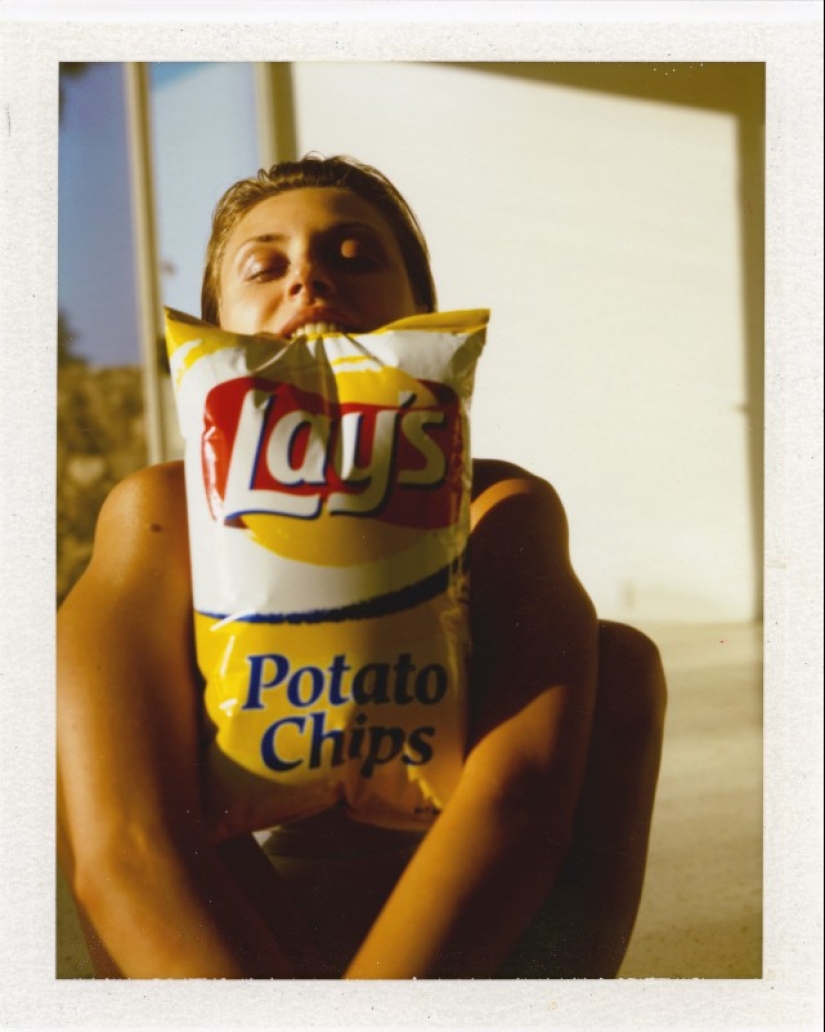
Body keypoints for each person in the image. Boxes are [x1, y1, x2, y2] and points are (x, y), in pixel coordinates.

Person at [57, 155, 667, 979]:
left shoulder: (498, 507)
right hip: (227, 942)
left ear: (421, 312)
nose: (308, 278)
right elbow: (123, 849)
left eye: (354, 256)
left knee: (620, 660)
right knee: (70, 695)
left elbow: (518, 801)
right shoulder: (160, 512)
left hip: (468, 949)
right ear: (217, 328)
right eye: (264, 265)